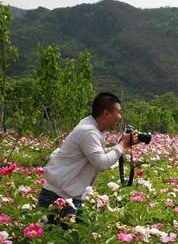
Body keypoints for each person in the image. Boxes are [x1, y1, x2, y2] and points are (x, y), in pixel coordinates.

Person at [37, 92, 139, 222]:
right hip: (57, 197)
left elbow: (97, 155)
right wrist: (122, 145)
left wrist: (121, 146)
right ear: (106, 113)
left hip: (68, 195)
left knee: (78, 239)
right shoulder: (89, 131)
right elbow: (101, 163)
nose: (120, 117)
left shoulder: (92, 127)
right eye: (119, 112)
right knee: (60, 240)